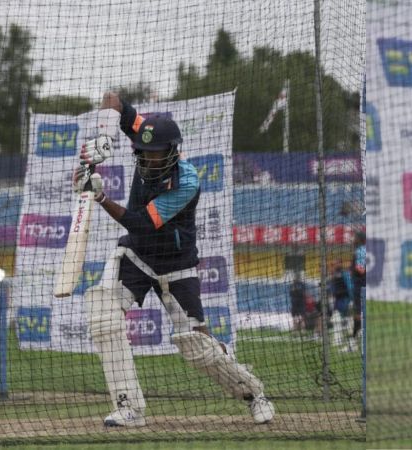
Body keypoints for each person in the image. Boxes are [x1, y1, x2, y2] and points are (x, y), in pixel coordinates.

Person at [73, 91, 274, 427]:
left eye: (155, 155)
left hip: (176, 264)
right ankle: (129, 407)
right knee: (103, 314)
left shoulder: (187, 182)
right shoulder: (144, 137)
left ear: (171, 151)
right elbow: (112, 99)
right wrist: (104, 138)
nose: (148, 160)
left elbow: (141, 222)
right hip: (136, 255)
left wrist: (101, 196)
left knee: (195, 344)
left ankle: (255, 395)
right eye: (143, 153)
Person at [328, 260, 355, 352]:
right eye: (334, 263)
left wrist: (351, 300)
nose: (336, 265)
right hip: (338, 301)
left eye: (337, 263)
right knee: (336, 320)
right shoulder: (334, 275)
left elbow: (350, 287)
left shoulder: (345, 274)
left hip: (346, 300)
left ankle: (352, 343)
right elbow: (332, 288)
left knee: (350, 322)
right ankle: (338, 340)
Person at [350, 230, 366, 349]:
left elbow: (361, 270)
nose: (352, 239)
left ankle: (354, 341)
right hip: (360, 284)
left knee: (357, 312)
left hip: (360, 285)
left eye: (354, 237)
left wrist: (353, 267)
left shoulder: (360, 251)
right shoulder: (362, 250)